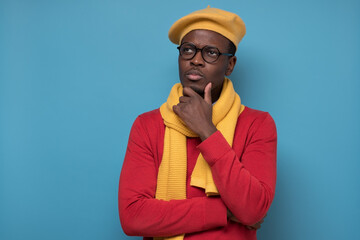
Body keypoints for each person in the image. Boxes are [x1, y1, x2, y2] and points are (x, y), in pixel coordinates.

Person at [118, 6, 277, 240]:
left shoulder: (257, 124)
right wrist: (223, 211)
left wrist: (207, 131)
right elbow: (133, 216)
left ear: (230, 65)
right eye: (188, 50)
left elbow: (252, 209)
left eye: (211, 52)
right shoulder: (148, 125)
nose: (196, 61)